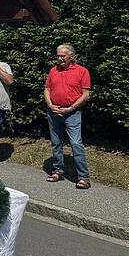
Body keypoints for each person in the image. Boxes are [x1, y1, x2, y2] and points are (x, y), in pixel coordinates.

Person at [43, 43, 92, 189]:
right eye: (58, 56)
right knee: (56, 142)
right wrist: (50, 105)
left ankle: (83, 177)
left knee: (76, 144)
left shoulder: (82, 71)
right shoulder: (53, 70)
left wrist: (71, 108)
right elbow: (47, 89)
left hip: (72, 113)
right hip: (54, 112)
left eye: (63, 56)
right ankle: (58, 171)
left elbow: (85, 94)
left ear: (72, 56)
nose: (60, 59)